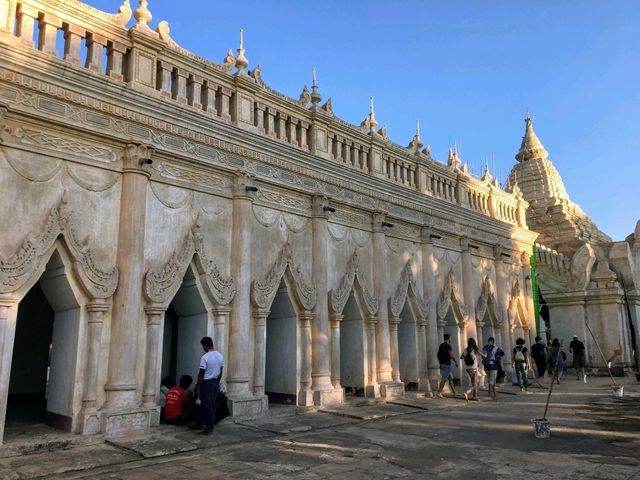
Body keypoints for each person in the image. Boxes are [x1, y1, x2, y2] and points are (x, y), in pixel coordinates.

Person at [193, 336, 224, 435]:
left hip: (206, 383)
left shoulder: (205, 357)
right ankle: (199, 422)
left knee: (207, 405)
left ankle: (209, 427)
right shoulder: (220, 355)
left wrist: (198, 387)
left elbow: (201, 373)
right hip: (215, 382)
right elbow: (221, 371)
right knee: (209, 404)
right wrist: (217, 382)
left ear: (205, 346)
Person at [436, 333, 458, 398]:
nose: (450, 339)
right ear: (448, 338)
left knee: (450, 378)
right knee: (444, 379)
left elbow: (438, 355)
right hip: (447, 364)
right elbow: (450, 355)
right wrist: (455, 361)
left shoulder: (441, 345)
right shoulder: (448, 346)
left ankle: (454, 392)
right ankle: (439, 392)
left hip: (443, 363)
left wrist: (440, 363)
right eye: (450, 338)